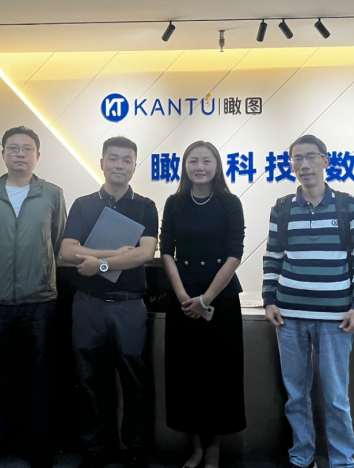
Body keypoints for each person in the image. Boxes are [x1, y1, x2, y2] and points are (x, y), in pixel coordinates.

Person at [262, 134, 354, 468]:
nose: (304, 165)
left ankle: (341, 460)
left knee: (336, 395)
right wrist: (269, 300)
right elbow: (273, 257)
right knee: (296, 394)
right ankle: (302, 455)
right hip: (289, 315)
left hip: (335, 316)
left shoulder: (348, 205)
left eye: (311, 157)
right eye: (297, 158)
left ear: (325, 161)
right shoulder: (282, 208)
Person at [60, 136, 158, 468]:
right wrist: (115, 255)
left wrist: (99, 264)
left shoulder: (145, 206)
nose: (120, 165)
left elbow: (145, 253)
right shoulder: (83, 205)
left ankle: (135, 448)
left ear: (134, 165)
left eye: (127, 160)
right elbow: (68, 251)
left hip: (129, 305)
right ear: (102, 162)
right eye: (113, 158)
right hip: (88, 303)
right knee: (88, 378)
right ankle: (95, 448)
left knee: (134, 379)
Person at [0, 126, 67, 468]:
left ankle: (36, 444)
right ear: (3, 154)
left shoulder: (52, 193)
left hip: (39, 298)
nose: (20, 154)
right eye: (13, 148)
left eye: (27, 149)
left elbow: (57, 240)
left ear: (37, 156)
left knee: (38, 374)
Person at [159, 140, 247, 468]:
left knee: (220, 375)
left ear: (217, 166)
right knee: (186, 375)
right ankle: (195, 446)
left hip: (220, 298)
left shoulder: (230, 202)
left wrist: (205, 299)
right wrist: (184, 296)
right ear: (184, 166)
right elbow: (166, 250)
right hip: (182, 297)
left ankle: (214, 448)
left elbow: (234, 253)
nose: (199, 167)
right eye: (193, 161)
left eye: (206, 161)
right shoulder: (174, 202)